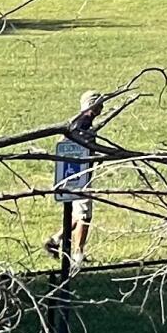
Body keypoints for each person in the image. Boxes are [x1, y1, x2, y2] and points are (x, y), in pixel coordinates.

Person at [53, 91, 106, 269]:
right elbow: (79, 147)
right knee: (85, 216)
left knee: (76, 213)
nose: (102, 107)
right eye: (99, 104)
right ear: (92, 105)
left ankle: (55, 240)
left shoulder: (81, 121)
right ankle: (77, 255)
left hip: (75, 174)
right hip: (80, 176)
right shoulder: (83, 123)